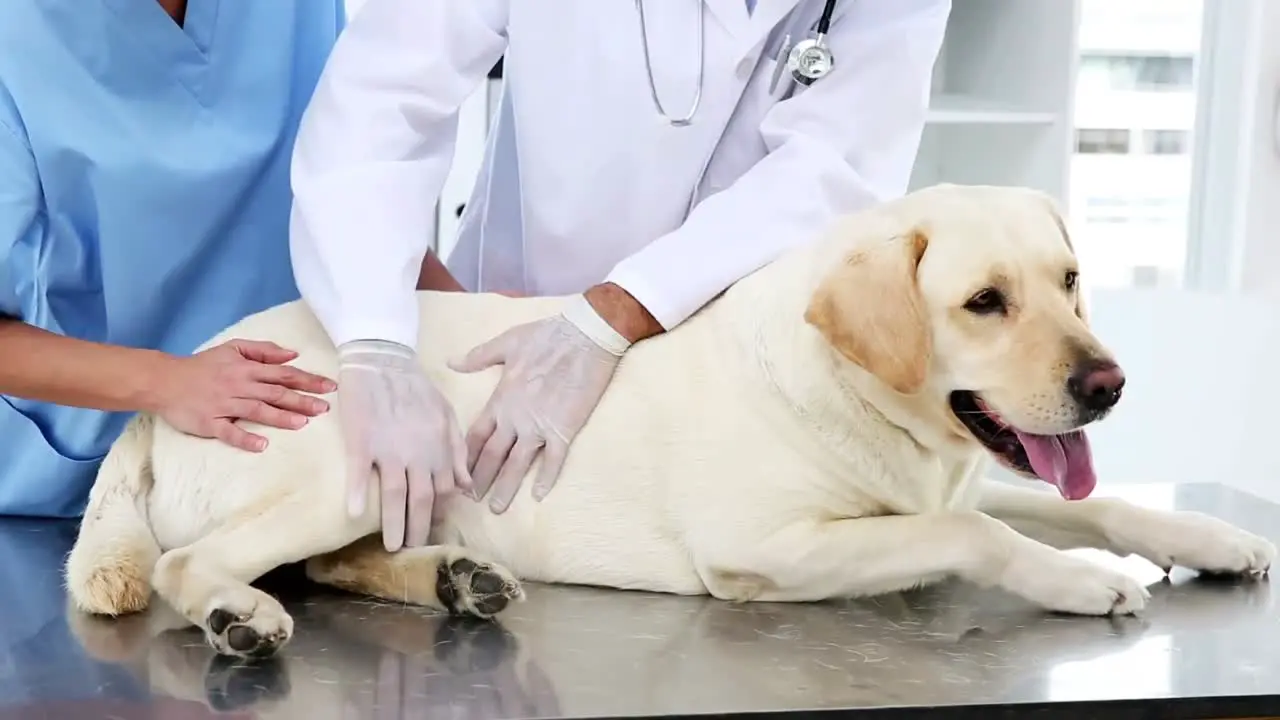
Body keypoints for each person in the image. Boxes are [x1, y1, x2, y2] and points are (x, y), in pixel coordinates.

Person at [290, 0, 953, 551]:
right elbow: (383, 104)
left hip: (752, 386)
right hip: (512, 348)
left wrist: (619, 309)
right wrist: (375, 340)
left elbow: (837, 167)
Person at [0, 0, 347, 518]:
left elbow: (352, 206)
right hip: (85, 492)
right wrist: (169, 382)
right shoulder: (18, 35)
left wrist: (491, 325)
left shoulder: (297, 12)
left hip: (297, 463)